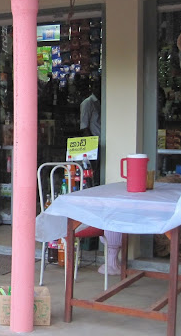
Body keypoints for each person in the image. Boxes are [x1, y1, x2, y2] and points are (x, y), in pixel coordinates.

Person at [80, 83, 120, 275]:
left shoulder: (105, 102)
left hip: (104, 143)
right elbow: (84, 127)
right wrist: (91, 149)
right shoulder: (88, 103)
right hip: (94, 145)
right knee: (92, 181)